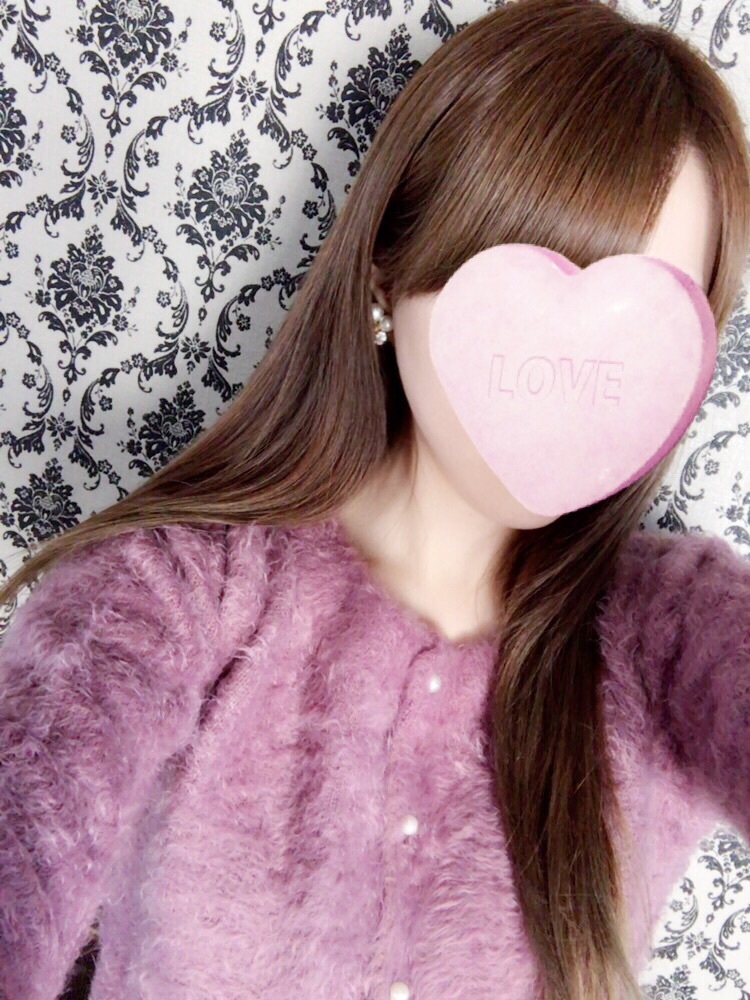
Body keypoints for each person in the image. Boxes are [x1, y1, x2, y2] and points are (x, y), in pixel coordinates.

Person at [1, 0, 749, 998]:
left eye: (647, 321)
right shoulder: (176, 589)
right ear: (389, 277)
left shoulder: (673, 630)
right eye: (533, 281)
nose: (578, 374)